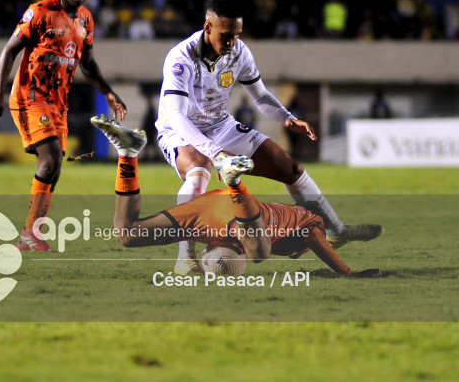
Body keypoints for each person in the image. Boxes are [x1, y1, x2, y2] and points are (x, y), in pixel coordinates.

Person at [155, 0, 382, 275]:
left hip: (220, 124)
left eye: (237, 35)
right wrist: (215, 153)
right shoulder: (181, 58)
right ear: (208, 27)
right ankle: (185, 259)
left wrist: (287, 118)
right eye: (226, 36)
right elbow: (176, 115)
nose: (232, 43)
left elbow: (261, 96)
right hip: (179, 130)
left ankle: (337, 230)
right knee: (198, 171)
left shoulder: (239, 52)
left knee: (290, 168)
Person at [91, 116, 382, 277]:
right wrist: (348, 274)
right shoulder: (308, 220)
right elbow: (321, 242)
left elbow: (321, 243)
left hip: (207, 213)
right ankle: (235, 182)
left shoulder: (289, 220)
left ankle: (128, 153)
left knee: (127, 234)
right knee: (259, 254)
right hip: (236, 217)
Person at [0, 0, 127, 251]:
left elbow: (88, 63)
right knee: (50, 159)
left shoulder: (86, 19)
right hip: (29, 97)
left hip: (57, 104)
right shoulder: (39, 12)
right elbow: (9, 51)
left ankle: (29, 233)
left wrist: (108, 92)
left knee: (54, 166)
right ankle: (32, 233)